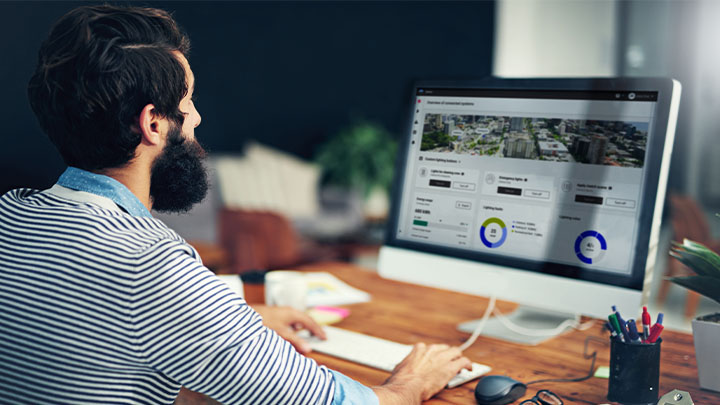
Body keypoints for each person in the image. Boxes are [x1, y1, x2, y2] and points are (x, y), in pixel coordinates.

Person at [0, 5, 471, 404]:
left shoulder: (11, 215)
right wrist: (409, 383)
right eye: (188, 101)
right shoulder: (149, 264)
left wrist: (226, 321)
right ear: (153, 124)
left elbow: (98, 331)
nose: (198, 117)